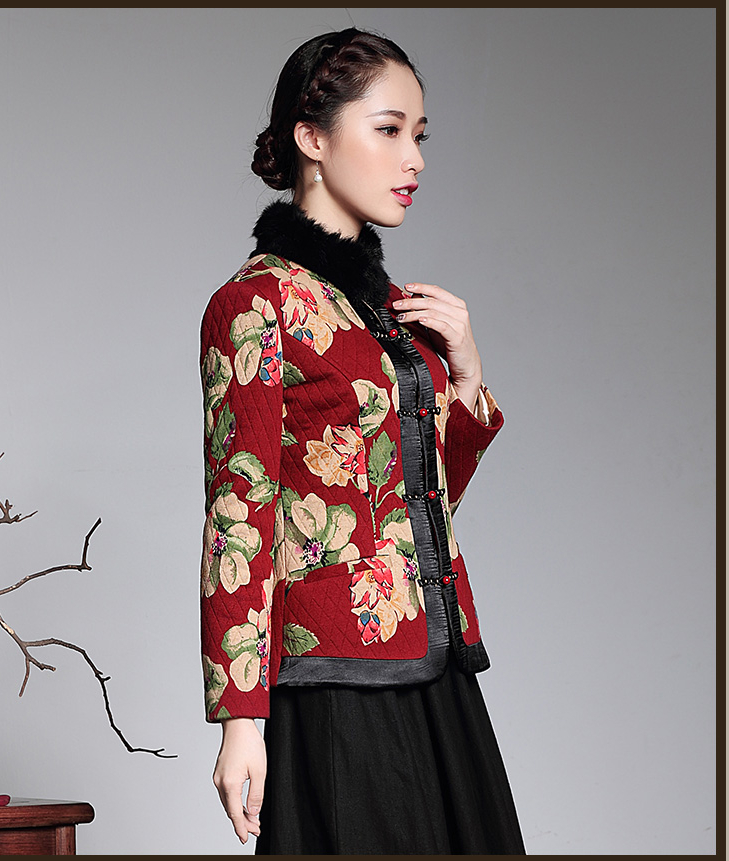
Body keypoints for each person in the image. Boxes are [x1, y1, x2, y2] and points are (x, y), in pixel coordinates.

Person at [199, 27, 526, 855]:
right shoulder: (256, 303)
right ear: (312, 139)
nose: (413, 159)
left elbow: (417, 500)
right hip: (334, 678)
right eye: (388, 130)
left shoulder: (392, 313)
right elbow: (239, 511)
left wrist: (465, 376)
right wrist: (240, 718)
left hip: (437, 664)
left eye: (419, 135)